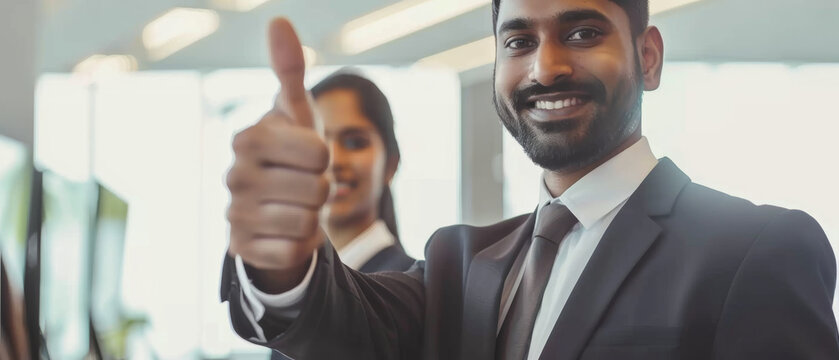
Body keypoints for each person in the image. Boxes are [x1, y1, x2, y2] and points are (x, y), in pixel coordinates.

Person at [221, 0, 839, 359]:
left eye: (582, 32)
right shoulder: (459, 262)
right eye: (519, 40)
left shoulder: (755, 250)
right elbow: (342, 321)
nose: (547, 66)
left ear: (647, 56)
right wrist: (284, 255)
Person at [265, 72, 415, 359]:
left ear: (390, 165)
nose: (331, 160)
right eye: (317, 141)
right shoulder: (297, 288)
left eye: (355, 142)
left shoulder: (405, 290)